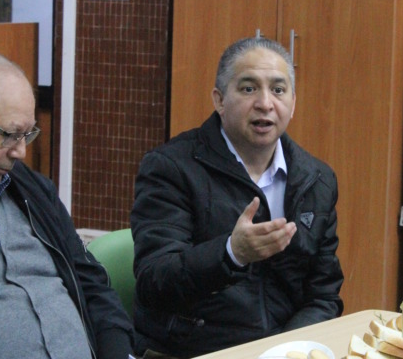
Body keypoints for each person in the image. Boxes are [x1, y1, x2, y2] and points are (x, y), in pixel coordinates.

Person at [131, 37, 344, 358]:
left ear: (293, 103)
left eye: (278, 90)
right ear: (219, 100)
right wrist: (232, 253)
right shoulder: (171, 168)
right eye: (248, 88)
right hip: (193, 350)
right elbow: (155, 282)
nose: (265, 103)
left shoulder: (317, 180)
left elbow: (323, 296)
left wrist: (285, 350)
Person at [0, 52, 135, 359]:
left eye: (27, 135)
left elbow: (93, 285)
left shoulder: (34, 191)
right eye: (10, 135)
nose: (21, 152)